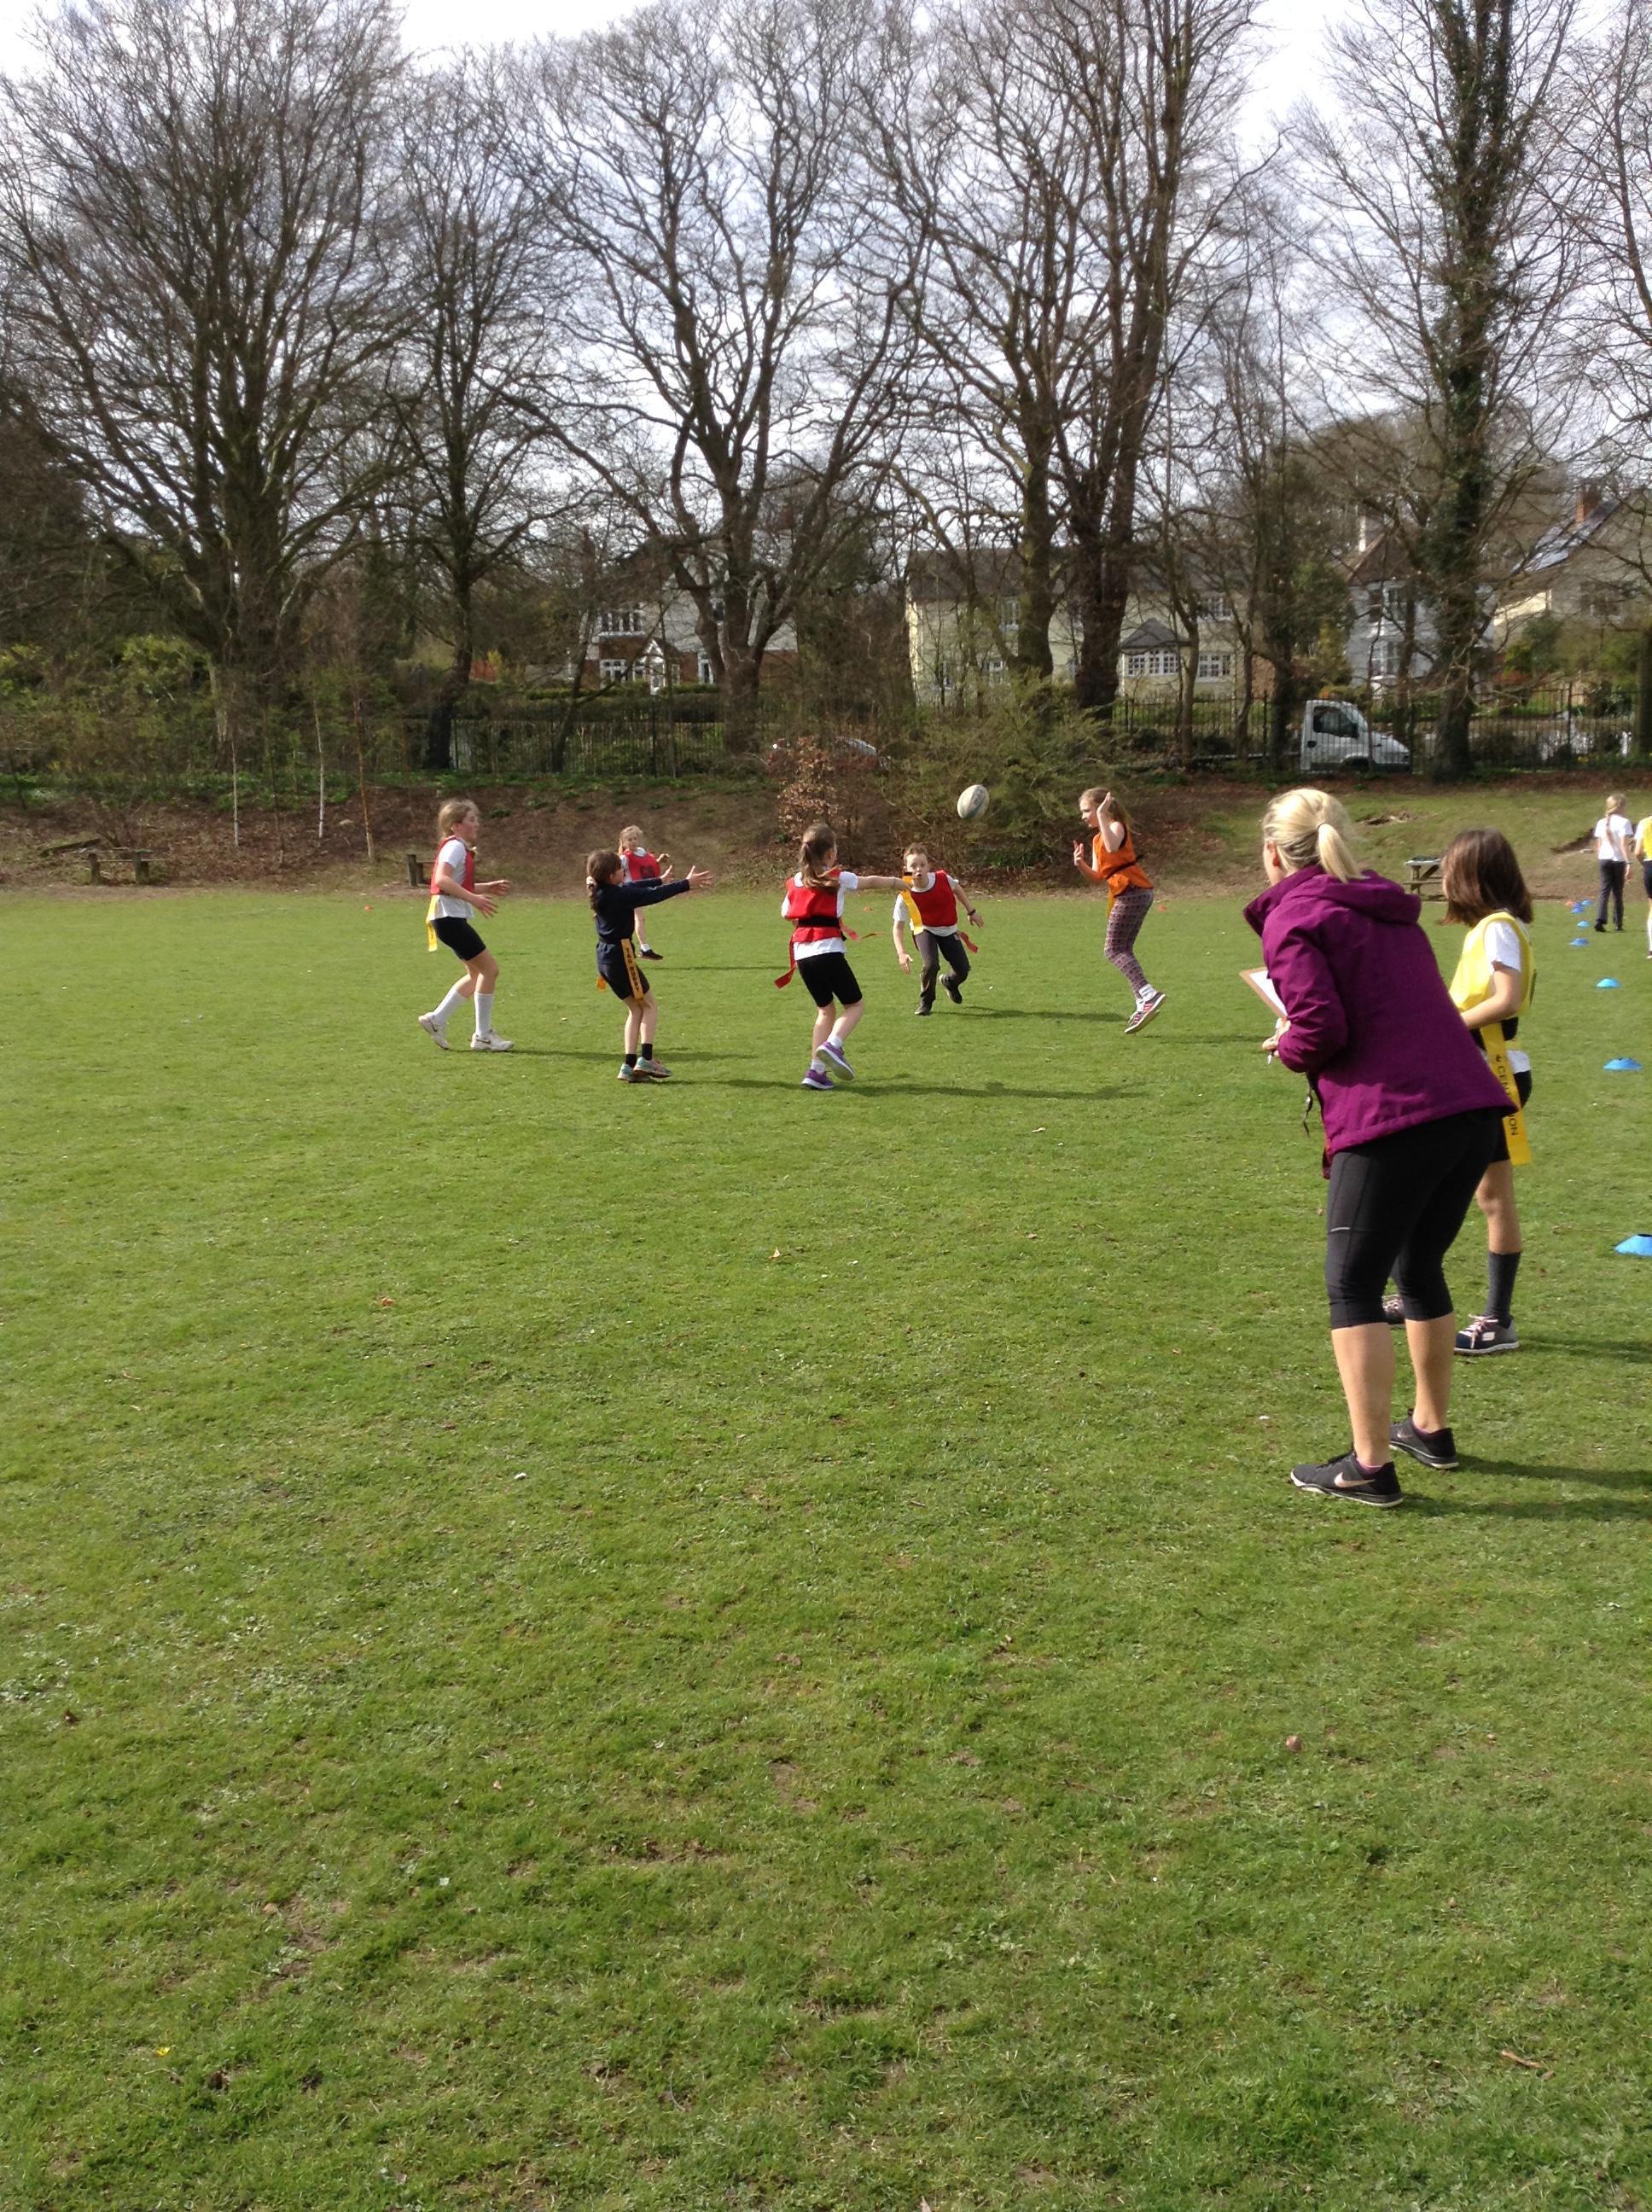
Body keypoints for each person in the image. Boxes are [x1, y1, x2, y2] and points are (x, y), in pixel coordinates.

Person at [1245, 789, 1509, 1507]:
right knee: (1418, 1266)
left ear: (1273, 853)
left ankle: (1369, 1467)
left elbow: (1321, 1027)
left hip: (1398, 1115)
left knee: (1352, 1285)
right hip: (1470, 1106)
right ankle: (1429, 1428)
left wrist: (1287, 1045)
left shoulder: (1295, 915)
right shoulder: (1388, 907)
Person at [1439, 829, 1538, 1356]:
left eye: (1449, 870)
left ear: (1470, 877)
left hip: (1492, 1071)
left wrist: (1445, 1027)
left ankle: (1498, 1320)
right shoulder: (1493, 927)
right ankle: (1418, 1292)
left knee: (1491, 1197)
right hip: (1478, 1070)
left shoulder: (1498, 928)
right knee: (1458, 1188)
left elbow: (1506, 998)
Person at [776, 823, 905, 1091]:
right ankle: (833, 1045)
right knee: (855, 1006)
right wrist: (897, 882)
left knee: (825, 1011)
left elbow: (787, 913)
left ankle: (816, 1072)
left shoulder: (794, 882)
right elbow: (870, 882)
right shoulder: (838, 878)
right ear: (830, 854)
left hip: (803, 955)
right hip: (828, 950)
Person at [585, 849, 713, 1082]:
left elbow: (634, 887)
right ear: (611, 875)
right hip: (621, 957)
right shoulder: (619, 896)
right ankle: (646, 1059)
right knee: (650, 1006)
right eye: (620, 869)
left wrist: (659, 880)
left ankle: (628, 1066)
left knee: (636, 1009)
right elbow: (651, 896)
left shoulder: (601, 891)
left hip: (604, 959)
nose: (623, 871)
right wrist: (686, 884)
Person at [417, 797, 513, 1051]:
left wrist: (485, 887)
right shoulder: (456, 847)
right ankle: (482, 1036)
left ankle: (437, 1019)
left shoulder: (456, 846)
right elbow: (442, 880)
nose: (477, 824)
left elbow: (454, 884)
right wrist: (475, 899)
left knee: (476, 975)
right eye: (472, 819)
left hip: (447, 918)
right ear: (456, 825)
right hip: (448, 918)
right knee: (490, 970)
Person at [1072, 787, 1166, 1032]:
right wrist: (1080, 864)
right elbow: (1097, 878)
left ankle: (1148, 994)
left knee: (1113, 950)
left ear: (1102, 807)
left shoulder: (1116, 826)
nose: (1083, 816)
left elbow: (1113, 847)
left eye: (1087, 810)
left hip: (1132, 890)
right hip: (1128, 893)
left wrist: (1102, 815)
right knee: (1123, 949)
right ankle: (1142, 1002)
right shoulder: (1096, 839)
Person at [892, 844, 981, 1015]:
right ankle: (926, 1002)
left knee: (963, 969)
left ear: (928, 866)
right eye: (913, 866)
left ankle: (950, 982)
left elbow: (957, 889)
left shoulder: (943, 879)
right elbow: (898, 928)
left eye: (922, 865)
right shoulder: (905, 894)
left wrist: (971, 912)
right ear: (906, 869)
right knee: (931, 964)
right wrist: (901, 953)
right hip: (923, 929)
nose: (918, 869)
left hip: (948, 929)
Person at [619, 824, 672, 959]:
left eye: (635, 838)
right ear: (624, 843)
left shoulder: (641, 852)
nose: (633, 842)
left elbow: (647, 866)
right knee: (638, 918)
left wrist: (659, 861)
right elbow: (615, 871)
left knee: (633, 919)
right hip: (630, 891)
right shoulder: (625, 858)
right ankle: (643, 948)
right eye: (629, 840)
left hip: (640, 890)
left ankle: (632, 948)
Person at [1592, 792, 1634, 931]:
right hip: (1618, 860)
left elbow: (1599, 844)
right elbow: (1623, 845)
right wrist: (1629, 863)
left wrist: (1601, 855)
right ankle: (1618, 923)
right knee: (1617, 892)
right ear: (1620, 807)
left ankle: (1600, 919)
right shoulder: (1624, 822)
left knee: (1604, 889)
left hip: (1604, 858)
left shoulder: (1601, 822)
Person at [1634, 801, 1652, 958]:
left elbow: (1638, 852)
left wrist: (1644, 865)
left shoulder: (1644, 823)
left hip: (1649, 865)